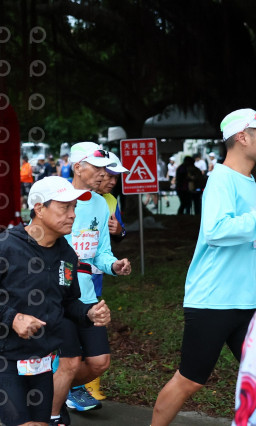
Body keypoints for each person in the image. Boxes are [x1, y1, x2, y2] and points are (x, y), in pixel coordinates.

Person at [0, 176, 111, 426]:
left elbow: (67, 302)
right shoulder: (4, 246)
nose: (73, 214)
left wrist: (89, 313)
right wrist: (13, 318)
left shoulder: (66, 254)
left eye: (74, 207)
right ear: (40, 209)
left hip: (42, 361)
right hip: (4, 358)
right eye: (65, 207)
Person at [152, 108, 256, 426]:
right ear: (243, 137)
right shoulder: (222, 179)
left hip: (247, 301)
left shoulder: (250, 182)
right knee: (190, 379)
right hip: (213, 301)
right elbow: (216, 231)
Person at [50, 142, 132, 425]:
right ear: (77, 168)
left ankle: (50, 390)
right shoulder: (55, 198)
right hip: (57, 296)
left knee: (99, 362)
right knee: (69, 362)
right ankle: (51, 411)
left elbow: (101, 251)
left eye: (104, 169)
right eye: (97, 168)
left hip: (87, 296)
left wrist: (114, 265)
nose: (103, 174)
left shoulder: (100, 203)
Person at [85, 152, 129, 402]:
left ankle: (90, 386)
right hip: (67, 276)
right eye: (108, 175)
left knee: (93, 325)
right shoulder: (71, 197)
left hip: (95, 274)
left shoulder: (110, 201)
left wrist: (119, 230)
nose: (112, 181)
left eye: (115, 177)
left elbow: (118, 234)